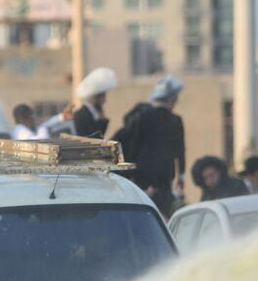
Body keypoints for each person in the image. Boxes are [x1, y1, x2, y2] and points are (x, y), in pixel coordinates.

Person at [113, 76, 186, 216]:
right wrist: (181, 177)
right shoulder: (175, 121)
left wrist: (128, 173)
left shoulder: (142, 116)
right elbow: (180, 151)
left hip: (140, 181)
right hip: (164, 183)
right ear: (171, 99)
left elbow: (131, 146)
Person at [72, 67, 118, 138]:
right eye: (103, 96)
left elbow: (100, 136)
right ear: (96, 97)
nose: (104, 101)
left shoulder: (95, 114)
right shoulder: (80, 115)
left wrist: (102, 121)